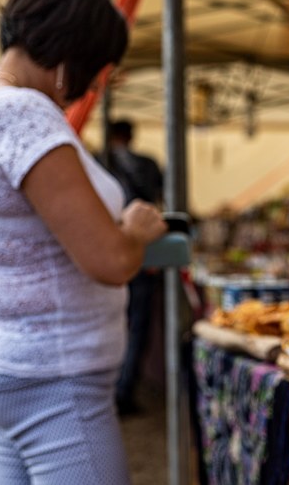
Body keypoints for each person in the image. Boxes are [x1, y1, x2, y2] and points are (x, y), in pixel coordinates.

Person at [0, 0, 166, 484]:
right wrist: (137, 231)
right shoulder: (23, 115)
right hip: (53, 374)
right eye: (98, 68)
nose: (93, 85)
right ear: (71, 54)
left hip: (4, 355)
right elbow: (109, 260)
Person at [104, 119, 164, 415]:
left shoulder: (99, 162)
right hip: (140, 254)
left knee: (117, 323)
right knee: (135, 326)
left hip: (113, 251)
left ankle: (116, 389)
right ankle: (124, 389)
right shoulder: (147, 164)